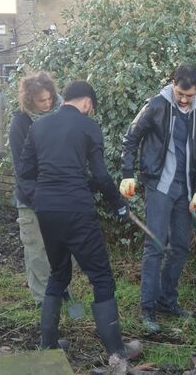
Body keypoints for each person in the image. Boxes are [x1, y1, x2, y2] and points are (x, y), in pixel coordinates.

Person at [18, 81, 142, 359]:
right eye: (91, 107)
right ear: (87, 102)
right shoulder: (88, 127)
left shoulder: (39, 126)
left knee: (59, 273)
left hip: (47, 211)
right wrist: (118, 204)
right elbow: (99, 175)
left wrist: (40, 199)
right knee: (101, 277)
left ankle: (48, 344)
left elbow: (25, 173)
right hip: (76, 210)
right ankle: (117, 352)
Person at [120, 64, 196, 333]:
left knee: (181, 247)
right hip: (159, 185)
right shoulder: (157, 105)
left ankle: (166, 300)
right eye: (180, 94)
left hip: (186, 191)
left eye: (189, 96)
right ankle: (147, 306)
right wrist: (127, 173)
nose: (184, 100)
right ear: (172, 83)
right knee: (156, 245)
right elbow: (131, 138)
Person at [9, 72, 62, 306]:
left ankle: (61, 293)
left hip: (57, 196)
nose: (48, 104)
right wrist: (38, 198)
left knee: (59, 249)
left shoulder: (58, 117)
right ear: (29, 100)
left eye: (50, 98)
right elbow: (22, 170)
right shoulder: (19, 124)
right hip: (31, 200)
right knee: (37, 251)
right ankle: (43, 302)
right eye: (42, 101)